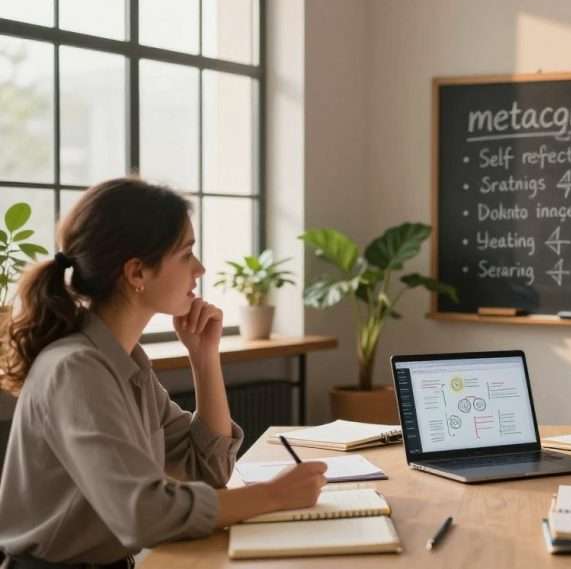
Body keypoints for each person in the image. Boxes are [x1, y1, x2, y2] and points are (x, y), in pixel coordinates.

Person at [0, 179, 327, 568]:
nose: (200, 269)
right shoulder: (76, 369)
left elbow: (208, 470)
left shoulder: (127, 361)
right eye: (187, 253)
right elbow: (144, 515)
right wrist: (274, 496)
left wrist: (205, 358)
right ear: (137, 272)